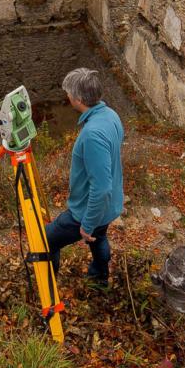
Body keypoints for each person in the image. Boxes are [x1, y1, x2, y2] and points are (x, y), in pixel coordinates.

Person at [45, 67, 124, 287]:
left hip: (88, 211)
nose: (67, 96)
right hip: (108, 207)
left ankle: (48, 286)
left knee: (46, 240)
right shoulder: (111, 115)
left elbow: (101, 187)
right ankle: (99, 278)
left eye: (68, 93)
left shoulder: (92, 135)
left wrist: (87, 225)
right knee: (99, 238)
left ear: (78, 99)